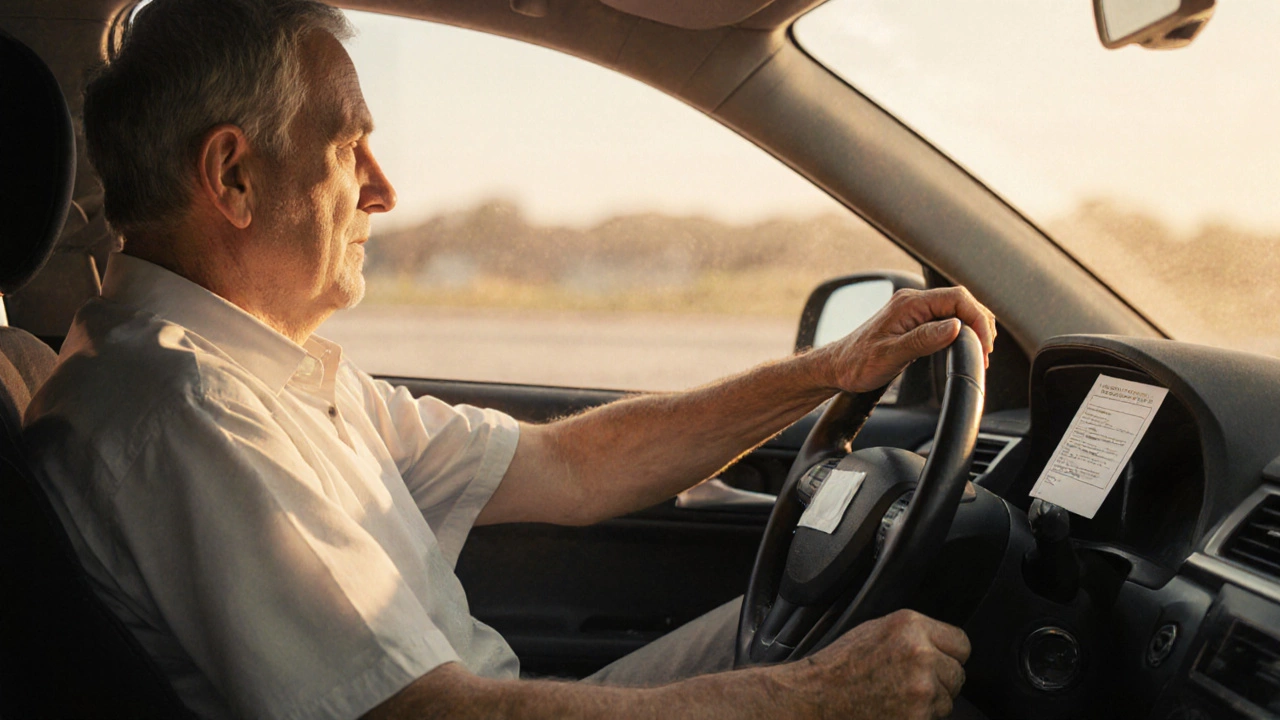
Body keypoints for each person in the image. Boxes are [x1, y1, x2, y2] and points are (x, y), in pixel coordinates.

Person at [23, 0, 998, 718]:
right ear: (233, 175)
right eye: (349, 148)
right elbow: (424, 717)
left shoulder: (255, 372)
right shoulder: (185, 414)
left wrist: (824, 373)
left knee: (862, 621)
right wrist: (811, 700)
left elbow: (567, 466)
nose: (383, 190)